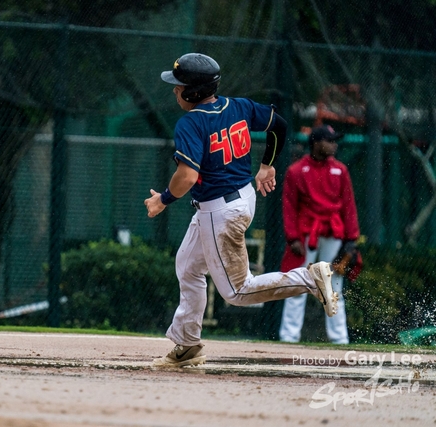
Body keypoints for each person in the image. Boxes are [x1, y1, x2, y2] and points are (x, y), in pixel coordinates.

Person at [144, 52, 339, 368]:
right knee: (189, 266)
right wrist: (267, 166)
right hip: (242, 198)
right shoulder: (238, 106)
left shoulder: (190, 122)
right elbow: (280, 125)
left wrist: (163, 199)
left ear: (193, 92)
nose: (175, 90)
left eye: (179, 85)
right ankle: (187, 344)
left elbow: (188, 176)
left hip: (219, 212)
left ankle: (309, 278)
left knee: (238, 292)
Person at [278, 125, 360, 345]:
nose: (334, 144)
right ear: (316, 143)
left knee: (333, 287)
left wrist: (351, 240)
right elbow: (289, 206)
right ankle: (288, 337)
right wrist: (293, 237)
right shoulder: (296, 170)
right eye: (330, 140)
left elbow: (348, 205)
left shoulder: (340, 170)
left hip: (334, 233)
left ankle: (339, 339)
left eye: (335, 141)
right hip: (306, 234)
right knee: (298, 284)